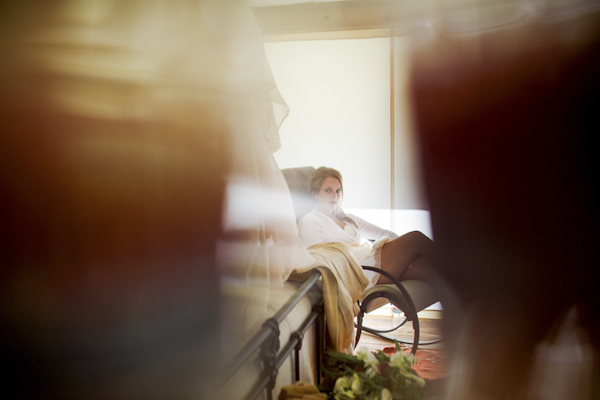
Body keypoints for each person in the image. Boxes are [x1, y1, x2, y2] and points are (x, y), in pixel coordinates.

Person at [297, 167, 437, 289]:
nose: (335, 196)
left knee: (425, 268)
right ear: (315, 194)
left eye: (338, 191)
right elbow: (316, 262)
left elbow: (384, 233)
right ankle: (452, 263)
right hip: (355, 272)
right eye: (328, 190)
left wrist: (404, 255)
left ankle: (455, 284)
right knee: (415, 238)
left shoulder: (349, 219)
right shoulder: (310, 221)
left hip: (367, 262)